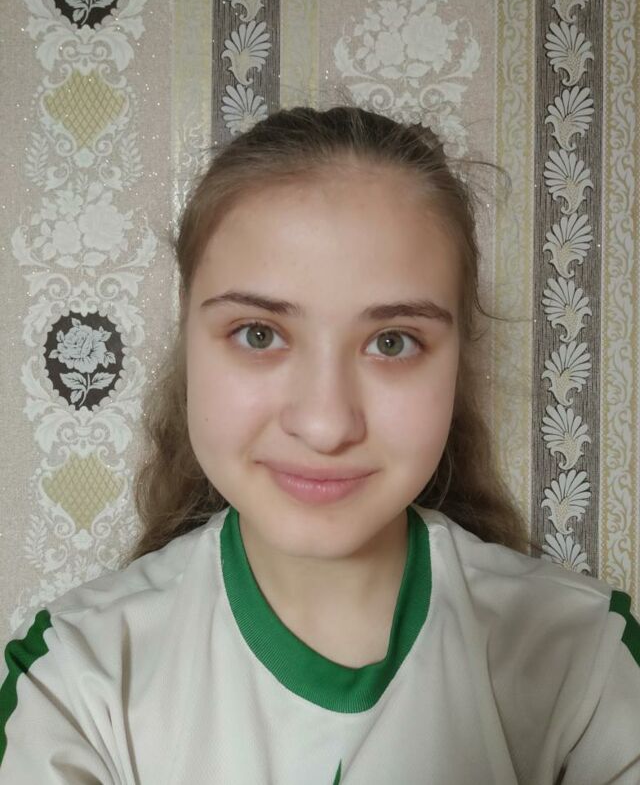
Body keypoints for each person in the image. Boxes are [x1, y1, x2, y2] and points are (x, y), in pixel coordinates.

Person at [1, 106, 638, 784]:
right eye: (259, 334)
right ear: (188, 342)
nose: (326, 424)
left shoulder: (587, 662)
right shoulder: (72, 682)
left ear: (457, 362)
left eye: (392, 342)